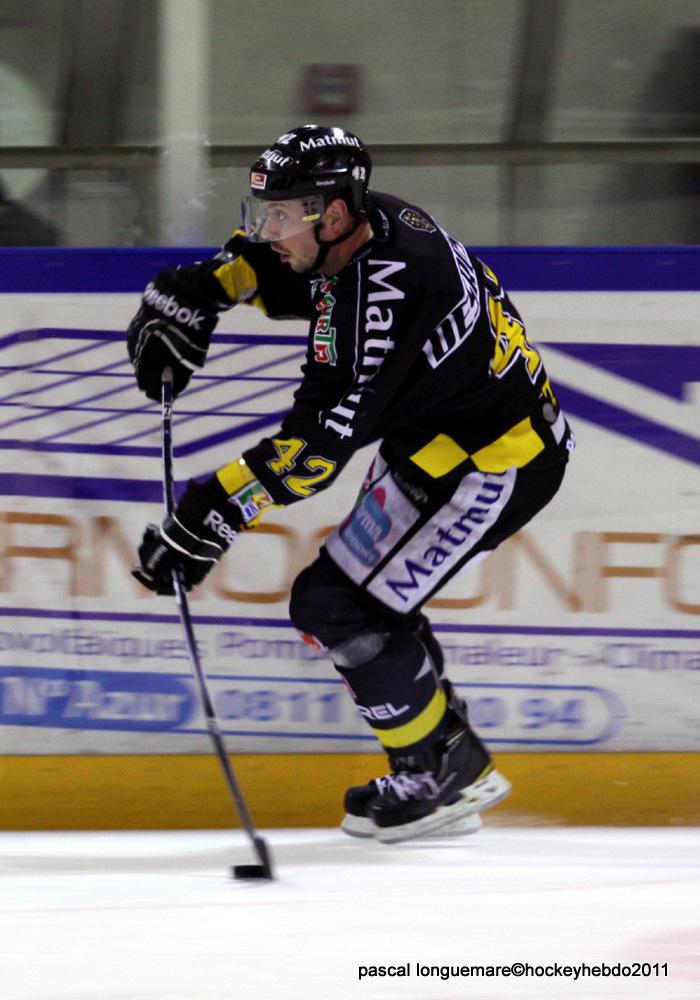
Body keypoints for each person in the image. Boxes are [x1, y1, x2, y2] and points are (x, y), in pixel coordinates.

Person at [127, 125, 574, 844]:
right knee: (362, 601)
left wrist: (208, 516)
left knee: (341, 605)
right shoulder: (371, 225)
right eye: (265, 211)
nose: (267, 229)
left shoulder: (380, 302)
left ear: (333, 214)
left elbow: (312, 452)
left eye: (282, 214)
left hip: (491, 463)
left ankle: (439, 770)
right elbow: (288, 269)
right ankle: (446, 753)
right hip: (435, 445)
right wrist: (200, 290)